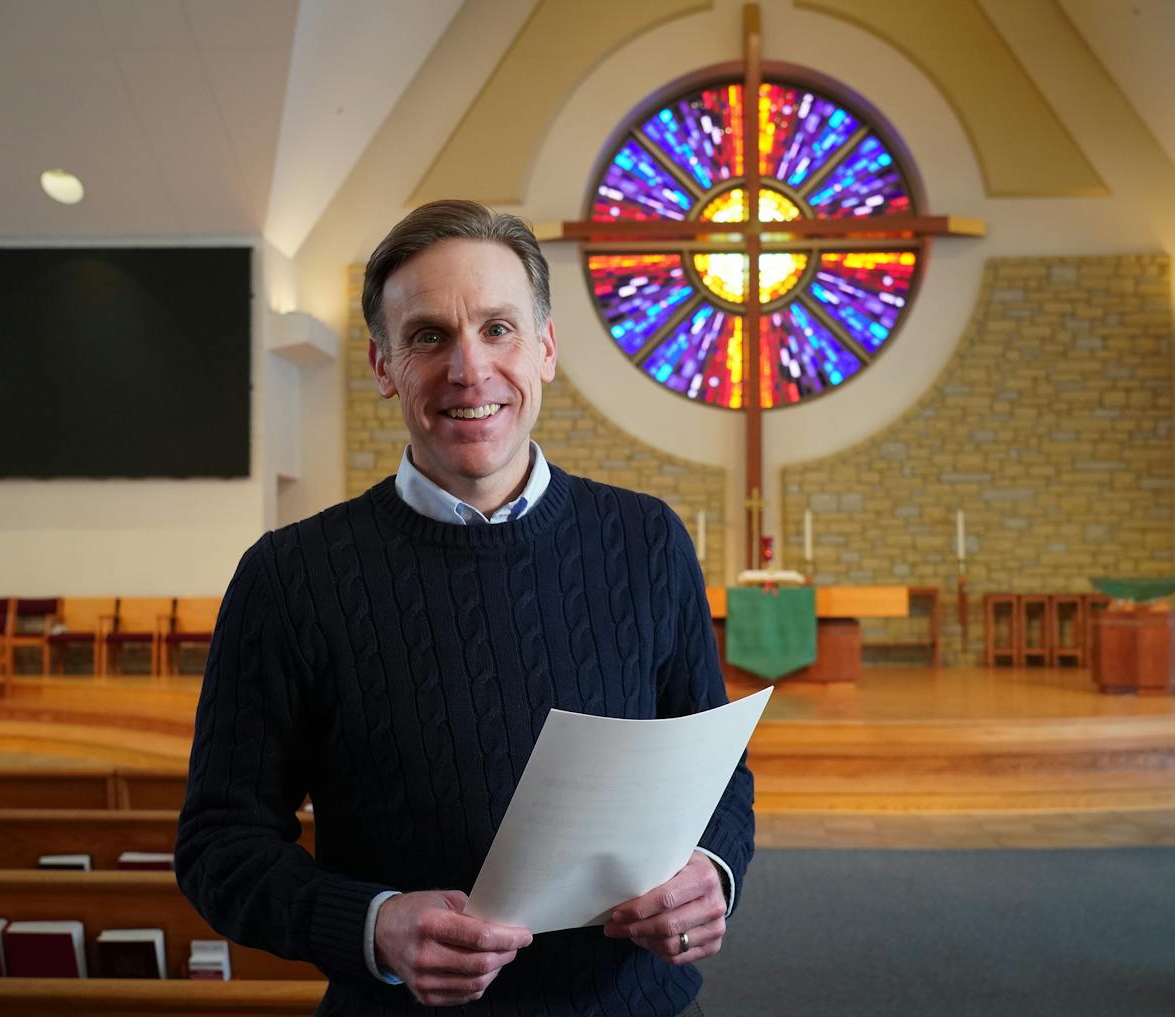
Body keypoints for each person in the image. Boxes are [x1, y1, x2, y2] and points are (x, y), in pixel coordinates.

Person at [176, 199, 754, 1017]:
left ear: (546, 348)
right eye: (428, 337)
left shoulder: (645, 540)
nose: (469, 369)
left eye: (499, 328)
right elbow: (218, 843)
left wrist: (711, 869)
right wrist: (374, 928)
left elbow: (719, 775)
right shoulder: (290, 576)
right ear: (382, 366)